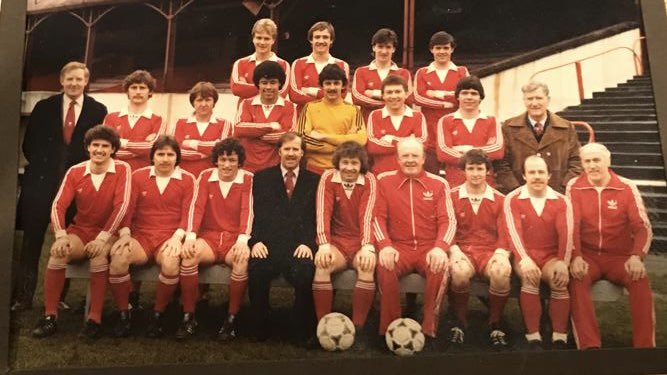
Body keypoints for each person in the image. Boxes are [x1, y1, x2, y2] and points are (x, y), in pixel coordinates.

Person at [12, 61, 108, 312]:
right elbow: (29, 144)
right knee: (32, 241)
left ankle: (60, 297)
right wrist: (48, 170)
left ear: (86, 82)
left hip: (77, 188)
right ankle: (23, 298)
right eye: (70, 79)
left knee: (68, 240)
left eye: (79, 79)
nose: (74, 84)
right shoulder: (44, 107)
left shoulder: (98, 110)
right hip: (41, 185)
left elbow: (97, 149)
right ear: (62, 81)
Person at [31, 125, 131, 339]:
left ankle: (94, 319)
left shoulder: (122, 169)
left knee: (98, 257)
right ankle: (50, 316)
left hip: (108, 232)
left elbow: (121, 207)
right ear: (88, 147)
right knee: (58, 253)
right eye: (95, 145)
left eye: (105, 146)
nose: (100, 150)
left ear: (113, 149)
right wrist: (60, 236)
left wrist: (103, 238)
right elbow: (58, 205)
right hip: (80, 230)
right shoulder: (75, 171)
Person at [567, 143, 655, 349]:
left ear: (608, 162)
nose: (592, 166)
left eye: (596, 160)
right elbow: (571, 225)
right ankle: (590, 346)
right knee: (577, 278)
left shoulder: (626, 186)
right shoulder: (574, 185)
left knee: (639, 280)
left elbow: (642, 227)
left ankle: (645, 349)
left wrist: (636, 256)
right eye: (587, 161)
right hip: (588, 256)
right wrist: (576, 256)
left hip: (619, 257)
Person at [107, 136, 195, 338]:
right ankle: (124, 314)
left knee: (171, 263)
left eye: (170, 154)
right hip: (141, 235)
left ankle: (157, 314)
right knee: (119, 258)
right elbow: (126, 209)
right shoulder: (138, 176)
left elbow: (189, 213)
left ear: (177, 157)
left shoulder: (188, 179)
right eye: (160, 154)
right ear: (152, 156)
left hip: (169, 236)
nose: (165, 159)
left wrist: (176, 238)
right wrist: (125, 234)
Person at [373, 137, 456, 346]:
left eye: (415, 156)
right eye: (405, 156)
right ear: (397, 159)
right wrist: (385, 246)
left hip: (428, 247)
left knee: (439, 267)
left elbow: (448, 220)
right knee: (385, 265)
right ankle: (390, 330)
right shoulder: (383, 180)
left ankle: (429, 329)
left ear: (423, 158)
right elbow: (377, 217)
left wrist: (440, 248)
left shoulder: (439, 184)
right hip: (398, 247)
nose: (410, 160)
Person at [177, 138, 253, 341]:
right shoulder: (204, 176)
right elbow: (197, 206)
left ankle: (231, 318)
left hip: (233, 238)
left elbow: (248, 210)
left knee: (241, 261)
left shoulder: (247, 179)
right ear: (216, 160)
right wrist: (191, 237)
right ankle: (189, 315)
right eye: (223, 159)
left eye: (232, 160)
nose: (227, 164)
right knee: (189, 257)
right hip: (209, 237)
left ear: (239, 161)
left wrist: (243, 240)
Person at [248, 132, 320, 344]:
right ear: (279, 151)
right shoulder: (261, 178)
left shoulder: (314, 181)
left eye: (295, 149)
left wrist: (308, 244)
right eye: (287, 149)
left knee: (305, 271)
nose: (291, 153)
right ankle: (260, 325)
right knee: (257, 269)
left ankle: (299, 328)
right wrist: (256, 241)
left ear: (302, 153)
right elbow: (255, 214)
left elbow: (316, 218)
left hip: (299, 247)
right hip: (268, 246)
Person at [504, 155, 573, 350]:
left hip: (551, 256)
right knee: (530, 278)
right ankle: (533, 335)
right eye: (532, 172)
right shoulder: (513, 199)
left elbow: (566, 234)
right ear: (524, 176)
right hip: (525, 255)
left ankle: (559, 336)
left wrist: (563, 262)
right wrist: (524, 259)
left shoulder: (561, 201)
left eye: (541, 172)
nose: (537, 176)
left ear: (549, 175)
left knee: (559, 280)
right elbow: (513, 232)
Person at [313, 141, 377, 345]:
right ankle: (322, 326)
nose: (349, 167)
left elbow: (368, 215)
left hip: (360, 241)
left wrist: (367, 246)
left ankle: (358, 327)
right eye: (345, 162)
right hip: (337, 242)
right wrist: (324, 244)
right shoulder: (328, 177)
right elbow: (322, 212)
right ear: (338, 163)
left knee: (367, 266)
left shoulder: (369, 180)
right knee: (322, 265)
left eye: (354, 163)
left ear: (362, 165)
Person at [447, 149, 510, 349]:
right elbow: (446, 229)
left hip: (489, 251)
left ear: (488, 171)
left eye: (480, 168)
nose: (475, 173)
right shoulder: (451, 196)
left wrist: (501, 254)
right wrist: (454, 251)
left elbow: (505, 233)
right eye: (470, 168)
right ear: (463, 171)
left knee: (501, 272)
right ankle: (460, 322)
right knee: (459, 272)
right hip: (463, 250)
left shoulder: (500, 199)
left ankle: (495, 323)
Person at [495, 81, 582, 194]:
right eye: (529, 99)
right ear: (524, 101)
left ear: (548, 100)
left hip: (557, 194)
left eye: (539, 98)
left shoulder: (566, 128)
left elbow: (576, 162)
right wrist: (516, 191)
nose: (534, 103)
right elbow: (502, 164)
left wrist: (563, 188)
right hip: (520, 196)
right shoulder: (509, 127)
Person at [413, 31, 469, 174]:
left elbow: (465, 97)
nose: (442, 52)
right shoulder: (422, 72)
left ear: (452, 49)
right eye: (438, 48)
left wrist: (435, 93)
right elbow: (418, 98)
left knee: (456, 174)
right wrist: (447, 101)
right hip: (430, 130)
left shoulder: (461, 71)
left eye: (445, 48)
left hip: (455, 129)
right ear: (431, 49)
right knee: (431, 174)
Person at [296, 64, 366, 174]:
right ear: (321, 86)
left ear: (343, 86)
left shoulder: (353, 110)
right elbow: (302, 140)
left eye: (336, 83)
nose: (332, 88)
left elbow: (361, 140)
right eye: (328, 83)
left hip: (343, 171)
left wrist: (323, 137)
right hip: (314, 170)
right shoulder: (309, 108)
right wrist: (343, 144)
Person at [436, 76, 503, 187]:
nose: (469, 97)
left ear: (480, 97)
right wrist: (479, 152)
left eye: (474, 93)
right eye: (465, 93)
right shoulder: (445, 121)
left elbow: (497, 151)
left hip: (485, 184)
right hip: (455, 183)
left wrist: (465, 150)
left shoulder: (492, 121)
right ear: (457, 96)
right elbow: (443, 153)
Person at [234, 61, 297, 173]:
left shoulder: (289, 106)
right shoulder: (246, 103)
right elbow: (239, 129)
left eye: (273, 82)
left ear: (280, 84)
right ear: (258, 84)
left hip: (275, 168)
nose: (268, 87)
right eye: (264, 82)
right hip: (247, 166)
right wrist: (270, 126)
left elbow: (288, 138)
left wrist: (254, 134)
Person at [103, 69, 165, 172]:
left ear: (150, 92)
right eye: (133, 87)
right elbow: (105, 148)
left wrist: (121, 142)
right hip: (115, 173)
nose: (138, 92)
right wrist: (140, 148)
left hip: (144, 175)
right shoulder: (111, 118)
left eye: (142, 88)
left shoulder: (158, 120)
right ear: (127, 91)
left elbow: (153, 148)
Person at [366, 75, 427, 175]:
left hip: (410, 174)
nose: (394, 96)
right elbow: (373, 147)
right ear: (383, 96)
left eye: (398, 92)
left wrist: (389, 139)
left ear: (406, 94)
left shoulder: (417, 116)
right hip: (381, 174)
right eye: (389, 92)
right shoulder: (375, 115)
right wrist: (409, 141)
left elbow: (422, 145)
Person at [173, 81, 232, 177]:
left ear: (214, 102)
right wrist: (204, 153)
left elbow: (223, 151)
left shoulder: (225, 124)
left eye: (208, 100)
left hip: (213, 178)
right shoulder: (181, 123)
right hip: (184, 177)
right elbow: (175, 152)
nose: (203, 104)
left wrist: (192, 143)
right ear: (193, 102)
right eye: (199, 100)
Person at [351, 28, 413, 121]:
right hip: (368, 123)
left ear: (393, 49)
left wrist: (373, 93)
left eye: (388, 47)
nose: (384, 51)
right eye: (380, 46)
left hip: (396, 125)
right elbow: (357, 98)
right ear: (374, 47)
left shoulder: (403, 73)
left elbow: (408, 99)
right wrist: (393, 101)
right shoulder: (361, 72)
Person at [289, 21, 350, 112]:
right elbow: (294, 95)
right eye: (317, 37)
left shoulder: (342, 65)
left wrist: (310, 91)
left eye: (325, 37)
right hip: (304, 119)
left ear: (331, 40)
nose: (321, 41)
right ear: (311, 40)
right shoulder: (298, 63)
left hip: (331, 119)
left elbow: (341, 95)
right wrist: (327, 98)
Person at [230, 18, 290, 101]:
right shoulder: (240, 63)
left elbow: (282, 94)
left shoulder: (283, 65)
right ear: (253, 39)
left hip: (271, 113)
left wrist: (247, 87)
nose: (262, 42)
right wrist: (271, 88)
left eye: (266, 39)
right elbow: (236, 89)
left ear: (273, 40)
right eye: (259, 38)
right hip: (245, 113)